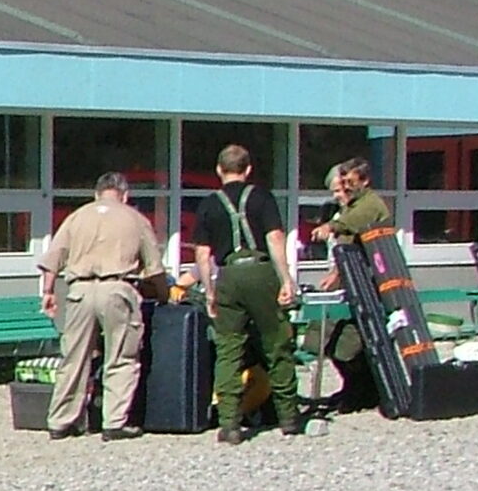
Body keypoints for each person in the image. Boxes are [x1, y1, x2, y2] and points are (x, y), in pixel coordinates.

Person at [36, 172, 164, 440]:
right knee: (121, 356)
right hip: (118, 289)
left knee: (74, 357)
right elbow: (154, 268)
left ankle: (60, 421)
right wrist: (164, 295)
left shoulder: (77, 216)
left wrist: (47, 291)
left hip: (79, 291)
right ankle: (114, 422)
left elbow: (54, 258)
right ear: (125, 195)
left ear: (96, 194)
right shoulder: (136, 219)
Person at [191, 144, 302, 444]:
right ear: (248, 169)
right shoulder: (262, 197)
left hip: (229, 275)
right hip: (261, 270)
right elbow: (275, 238)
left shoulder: (209, 205)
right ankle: (289, 417)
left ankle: (229, 423)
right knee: (277, 342)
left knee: (228, 349)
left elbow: (202, 254)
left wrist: (209, 291)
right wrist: (286, 279)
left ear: (219, 169)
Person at [314, 158, 393, 289]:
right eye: (344, 182)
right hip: (358, 272)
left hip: (378, 275)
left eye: (350, 182)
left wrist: (329, 227)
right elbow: (347, 243)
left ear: (365, 180)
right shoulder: (352, 205)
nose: (346, 187)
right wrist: (335, 273)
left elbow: (352, 222)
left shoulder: (371, 203)